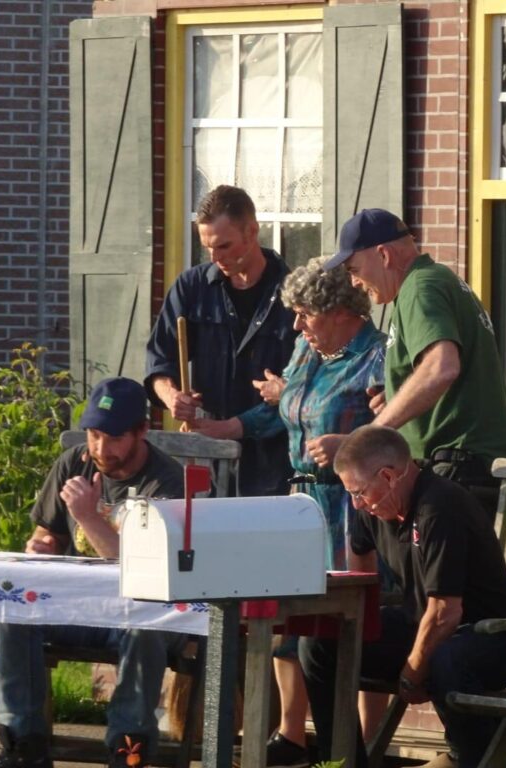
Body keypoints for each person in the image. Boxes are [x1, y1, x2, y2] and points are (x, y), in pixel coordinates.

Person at [193, 257, 386, 766]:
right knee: (292, 617)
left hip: (350, 505)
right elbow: (283, 410)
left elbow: (396, 432)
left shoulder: (377, 358)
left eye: (306, 314)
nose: (297, 326)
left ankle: (365, 744)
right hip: (301, 504)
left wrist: (349, 443)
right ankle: (292, 735)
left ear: (341, 311)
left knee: (356, 619)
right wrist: (232, 427)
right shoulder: (307, 350)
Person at [299, 425, 506, 768]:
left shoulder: (440, 506)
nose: (356, 503)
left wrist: (411, 672)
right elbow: (361, 574)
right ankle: (342, 763)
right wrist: (355, 621)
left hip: (493, 636)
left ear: (388, 476)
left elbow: (445, 612)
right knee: (320, 641)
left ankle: (475, 760)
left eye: (359, 493)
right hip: (425, 626)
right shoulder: (371, 507)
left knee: (443, 659)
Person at [0, 378, 186, 768]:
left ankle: (128, 751)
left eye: (113, 438)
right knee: (13, 612)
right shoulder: (73, 462)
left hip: (147, 612)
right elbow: (46, 533)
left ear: (142, 431)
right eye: (94, 435)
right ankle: (23, 747)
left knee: (143, 627)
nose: (100, 449)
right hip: (81, 607)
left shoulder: (166, 481)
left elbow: (146, 571)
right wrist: (41, 546)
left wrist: (89, 518)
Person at [323, 209, 506, 516]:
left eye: (354, 269)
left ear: (383, 255)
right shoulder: (434, 280)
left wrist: (371, 435)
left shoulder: (419, 288)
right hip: (469, 467)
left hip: (462, 469)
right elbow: (447, 373)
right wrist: (397, 396)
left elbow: (441, 367)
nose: (354, 283)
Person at [144, 184, 297, 496]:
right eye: (207, 248)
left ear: (252, 231)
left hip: (276, 462)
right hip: (206, 458)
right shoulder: (191, 287)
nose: (215, 258)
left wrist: (236, 427)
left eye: (224, 246)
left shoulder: (293, 294)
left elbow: (306, 390)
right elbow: (159, 360)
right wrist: (172, 396)